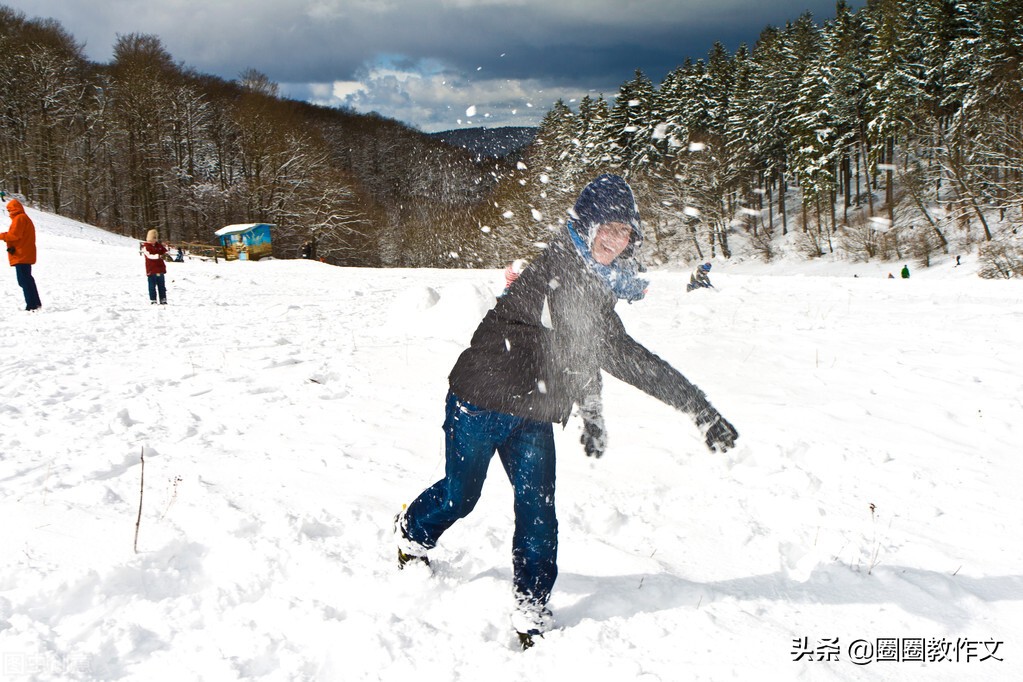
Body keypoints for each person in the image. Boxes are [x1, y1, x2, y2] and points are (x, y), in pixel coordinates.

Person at [394, 174, 739, 648]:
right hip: (479, 400)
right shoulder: (560, 268)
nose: (615, 241)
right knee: (460, 495)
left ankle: (531, 606)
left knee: (538, 510)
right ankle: (413, 533)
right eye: (608, 228)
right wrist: (690, 407)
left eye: (625, 233)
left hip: (534, 411)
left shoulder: (593, 283)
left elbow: (585, 352)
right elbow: (610, 353)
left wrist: (603, 413)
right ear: (584, 225)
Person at [0, 199, 42, 311]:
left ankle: (32, 305)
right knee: (27, 279)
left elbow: (14, 235)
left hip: (21, 254)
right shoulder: (24, 218)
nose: (9, 212)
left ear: (14, 209)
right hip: (25, 253)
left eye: (9, 210)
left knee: (24, 280)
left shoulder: (19, 218)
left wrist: (2, 236)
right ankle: (36, 303)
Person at [141, 229, 168, 304]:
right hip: (151, 270)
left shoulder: (158, 246)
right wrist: (159, 256)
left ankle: (163, 299)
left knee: (161, 286)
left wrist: (166, 254)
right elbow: (150, 256)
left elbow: (165, 251)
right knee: (152, 286)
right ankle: (153, 299)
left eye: (156, 238)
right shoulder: (146, 247)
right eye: (153, 238)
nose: (155, 240)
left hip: (160, 269)